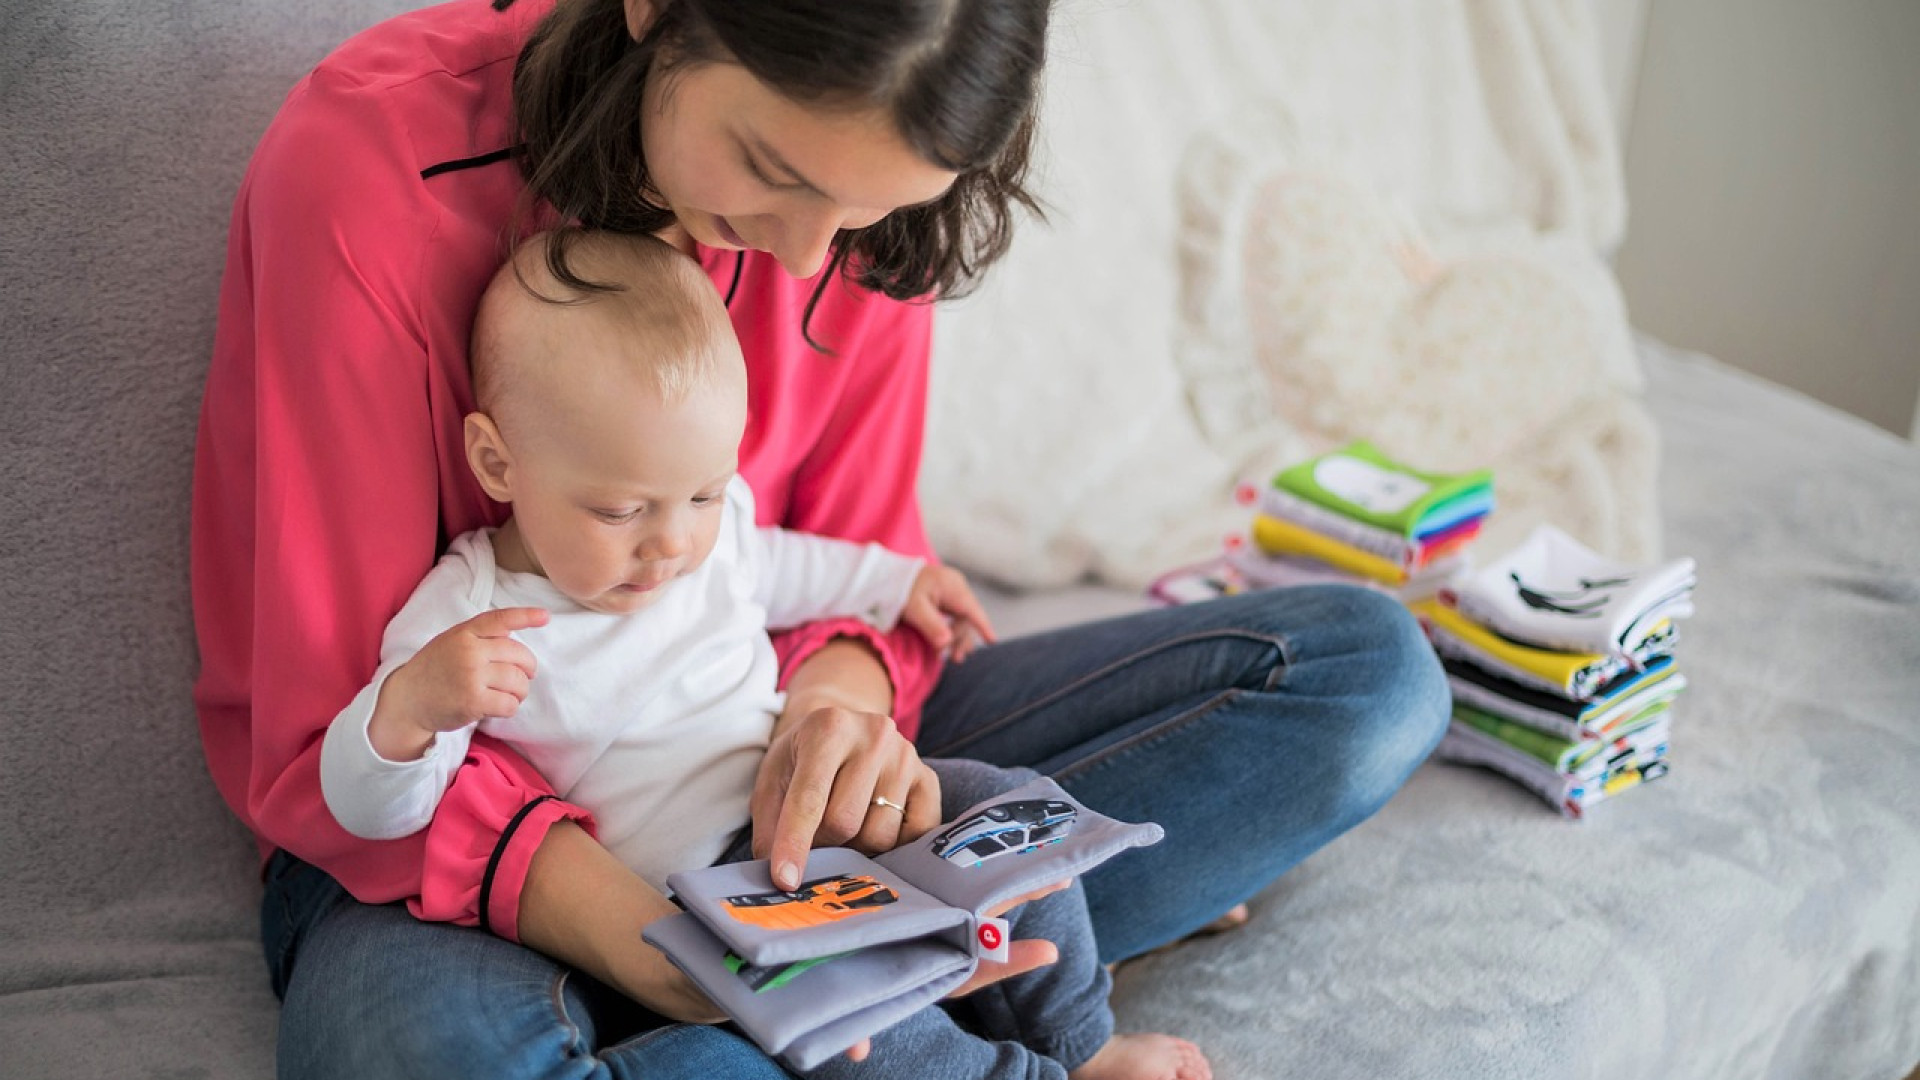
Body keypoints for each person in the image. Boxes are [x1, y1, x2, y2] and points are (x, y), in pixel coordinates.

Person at [192, 0, 1450, 1076]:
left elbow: (852, 567)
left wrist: (835, 724)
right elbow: (340, 735)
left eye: (865, 209)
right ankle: (858, 1002)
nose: (808, 256)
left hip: (764, 783)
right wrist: (651, 939)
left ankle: (839, 997)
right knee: (424, 1056)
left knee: (1367, 678)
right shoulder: (367, 172)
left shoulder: (855, 220)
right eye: (774, 170)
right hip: (430, 845)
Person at [317, 228, 1209, 1080]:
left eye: (704, 493)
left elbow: (785, 565)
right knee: (863, 1028)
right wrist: (410, 711)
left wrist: (896, 584)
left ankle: (1081, 1038)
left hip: (817, 803)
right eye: (620, 512)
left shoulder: (709, 529)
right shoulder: (470, 614)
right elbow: (373, 811)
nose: (670, 546)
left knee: (1014, 809)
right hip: (714, 894)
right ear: (498, 463)